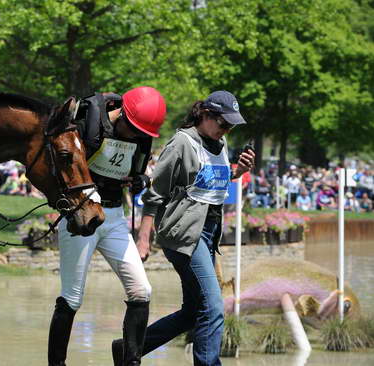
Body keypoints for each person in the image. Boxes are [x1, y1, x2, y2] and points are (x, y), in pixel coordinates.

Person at [112, 91, 254, 366]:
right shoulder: (181, 144)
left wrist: (237, 172)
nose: (227, 129)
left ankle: (129, 349)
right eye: (223, 123)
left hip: (208, 234)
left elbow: (213, 184)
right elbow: (155, 194)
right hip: (184, 236)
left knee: (193, 312)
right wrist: (143, 239)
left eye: (231, 126)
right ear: (204, 115)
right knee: (213, 308)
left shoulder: (219, 143)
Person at [47, 86, 166, 366]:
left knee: (141, 291)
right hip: (81, 218)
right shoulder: (88, 127)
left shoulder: (142, 136)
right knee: (72, 297)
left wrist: (141, 181)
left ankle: (130, 362)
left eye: (141, 133)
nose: (136, 136)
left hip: (114, 217)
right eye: (133, 129)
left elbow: (138, 172)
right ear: (121, 113)